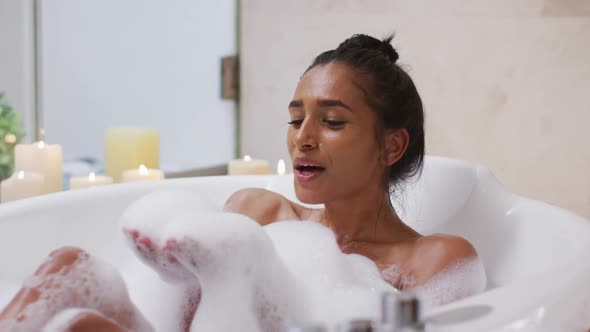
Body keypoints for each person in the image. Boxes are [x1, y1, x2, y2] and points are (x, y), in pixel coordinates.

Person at [0, 34, 484, 331]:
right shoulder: (259, 214)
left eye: (332, 122)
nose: (304, 139)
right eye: (296, 121)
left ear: (391, 146)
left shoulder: (435, 260)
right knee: (69, 267)